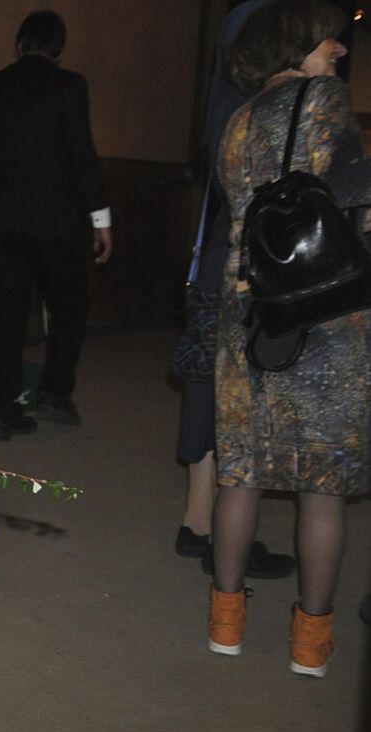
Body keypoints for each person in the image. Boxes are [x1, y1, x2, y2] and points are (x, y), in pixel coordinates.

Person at [209, 0, 371, 678]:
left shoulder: (236, 120)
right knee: (322, 485)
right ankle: (310, 642)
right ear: (296, 41)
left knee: (240, 473)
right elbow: (352, 194)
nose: (339, 48)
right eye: (329, 38)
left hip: (247, 310)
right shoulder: (324, 100)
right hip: (322, 311)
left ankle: (225, 624)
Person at [174, 0, 295, 581]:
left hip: (219, 258)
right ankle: (221, 531)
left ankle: (199, 521)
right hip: (248, 263)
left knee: (207, 384)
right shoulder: (262, 105)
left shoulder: (225, 100)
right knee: (238, 394)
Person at [0, 10, 114, 442]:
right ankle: (54, 394)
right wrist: (101, 219)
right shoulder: (70, 86)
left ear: (19, 44)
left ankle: (3, 411)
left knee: (6, 313)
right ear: (60, 49)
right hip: (57, 222)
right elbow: (82, 155)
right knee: (69, 307)